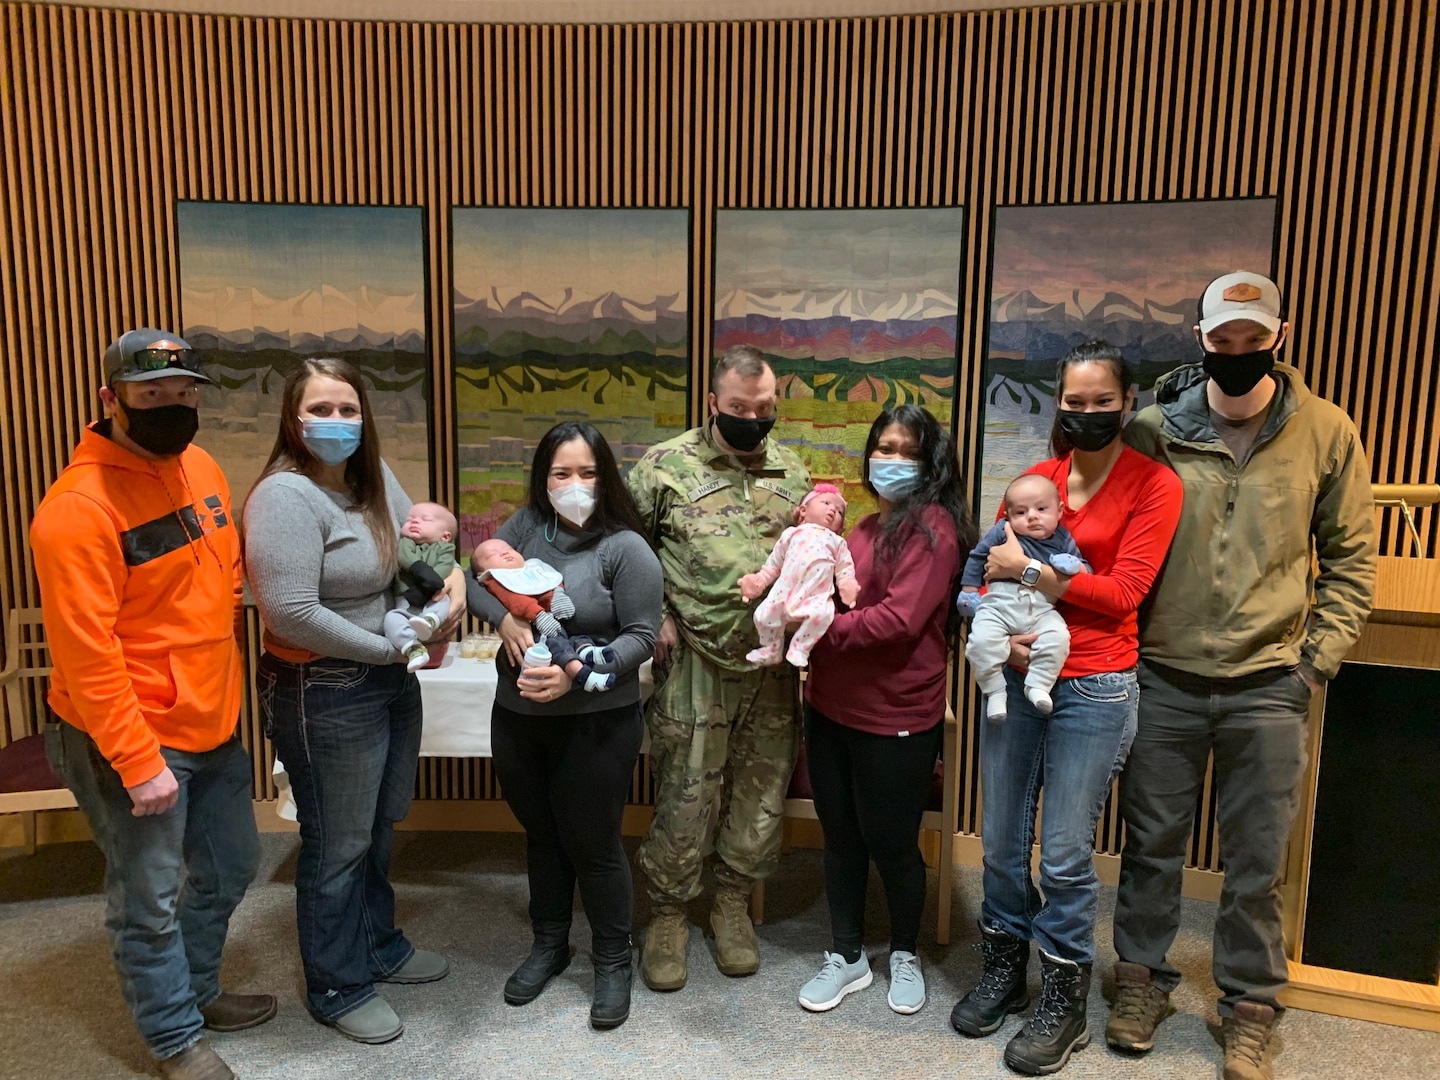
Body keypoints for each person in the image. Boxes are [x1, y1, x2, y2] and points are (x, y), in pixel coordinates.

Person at [1109, 272, 1377, 1080]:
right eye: (1221, 341)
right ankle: (1140, 980)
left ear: (1279, 336)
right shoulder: (1155, 429)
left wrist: (1314, 664)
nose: (1236, 354)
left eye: (1251, 340)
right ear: (1201, 338)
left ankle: (1251, 1005)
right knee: (1150, 844)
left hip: (1271, 681)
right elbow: (1118, 540)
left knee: (1257, 857)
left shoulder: (1327, 431)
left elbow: (1352, 561)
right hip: (1166, 674)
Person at [31, 329, 274, 1080]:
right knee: (149, 898)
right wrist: (139, 765)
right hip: (131, 740)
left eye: (183, 390)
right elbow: (87, 654)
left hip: (212, 723)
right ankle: (174, 1040)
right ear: (111, 400)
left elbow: (219, 568)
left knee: (233, 865)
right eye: (150, 394)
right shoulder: (74, 512)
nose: (172, 405)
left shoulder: (197, 465)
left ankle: (197, 991)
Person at [949, 340, 1183, 1076]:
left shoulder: (1155, 484)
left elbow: (1122, 595)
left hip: (1098, 684)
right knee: (1002, 838)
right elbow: (991, 571)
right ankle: (1002, 969)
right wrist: (997, 629)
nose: (1085, 414)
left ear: (1128, 399)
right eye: (1073, 403)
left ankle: (1064, 999)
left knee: (1067, 851)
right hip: (1018, 676)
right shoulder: (1036, 482)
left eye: (1100, 401)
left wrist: (1037, 574)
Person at [244, 357, 466, 1045]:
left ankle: (378, 946)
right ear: (292, 417)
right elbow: (289, 613)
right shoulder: (284, 497)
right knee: (337, 843)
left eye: (348, 409)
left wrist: (452, 585)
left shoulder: (371, 480)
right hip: (323, 687)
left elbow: (424, 544)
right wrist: (392, 647)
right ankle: (337, 983)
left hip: (387, 679)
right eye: (321, 409)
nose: (336, 422)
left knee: (378, 827)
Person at [627, 343, 812, 991]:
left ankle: (732, 905)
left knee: (761, 794)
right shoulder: (663, 468)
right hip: (695, 663)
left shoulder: (792, 471)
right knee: (687, 793)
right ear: (712, 403)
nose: (753, 420)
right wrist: (654, 616)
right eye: (739, 409)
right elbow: (623, 549)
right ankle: (670, 915)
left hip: (772, 667)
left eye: (764, 410)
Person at [467, 421, 662, 1030]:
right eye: (560, 473)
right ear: (542, 477)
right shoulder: (525, 528)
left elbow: (643, 638)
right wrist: (503, 620)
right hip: (519, 716)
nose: (574, 484)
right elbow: (475, 584)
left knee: (593, 843)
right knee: (541, 834)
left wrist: (575, 676)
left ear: (605, 477)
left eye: (586, 472)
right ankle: (550, 944)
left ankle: (612, 958)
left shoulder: (624, 546)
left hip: (596, 721)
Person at [795, 405, 974, 1017]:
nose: (890, 460)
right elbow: (823, 589)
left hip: (896, 716)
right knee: (840, 837)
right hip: (828, 706)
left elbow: (898, 622)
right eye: (883, 447)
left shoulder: (935, 531)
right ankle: (846, 956)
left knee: (894, 843)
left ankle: (903, 952)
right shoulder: (865, 528)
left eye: (906, 450)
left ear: (930, 463)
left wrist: (817, 630)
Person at [958, 474, 1089, 720]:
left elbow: (1085, 569)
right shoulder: (1003, 531)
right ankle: (995, 690)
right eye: (1021, 512)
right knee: (981, 643)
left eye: (1041, 509)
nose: (1032, 516)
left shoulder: (1063, 538)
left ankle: (1038, 684)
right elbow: (977, 556)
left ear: (1059, 511)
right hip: (998, 605)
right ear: (1007, 515)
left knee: (1058, 637)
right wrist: (969, 590)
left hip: (1041, 609)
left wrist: (1074, 565)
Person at [740, 483, 860, 668]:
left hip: (816, 596)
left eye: (839, 511)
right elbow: (773, 565)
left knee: (822, 617)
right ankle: (771, 648)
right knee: (763, 616)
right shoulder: (791, 534)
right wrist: (759, 581)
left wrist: (847, 584)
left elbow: (845, 568)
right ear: (803, 511)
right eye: (826, 503)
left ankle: (800, 648)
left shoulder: (836, 542)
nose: (832, 510)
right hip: (784, 592)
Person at [473, 537, 617, 691]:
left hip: (556, 623)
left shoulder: (533, 568)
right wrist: (538, 615)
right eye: (492, 555)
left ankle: (586, 650)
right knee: (559, 647)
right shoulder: (496, 580)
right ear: (482, 572)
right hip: (535, 632)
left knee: (576, 636)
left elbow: (551, 581)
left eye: (508, 549)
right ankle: (582, 675)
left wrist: (558, 595)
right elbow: (517, 601)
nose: (504, 553)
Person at [383, 501, 459, 671]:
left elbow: (444, 567)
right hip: (406, 601)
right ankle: (413, 649)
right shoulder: (405, 543)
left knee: (443, 601)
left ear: (445, 536)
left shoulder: (445, 548)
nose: (415, 521)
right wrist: (421, 569)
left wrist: (430, 584)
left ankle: (430, 621)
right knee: (391, 619)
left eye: (425, 519)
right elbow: (404, 557)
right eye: (410, 519)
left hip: (432, 596)